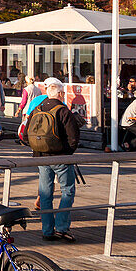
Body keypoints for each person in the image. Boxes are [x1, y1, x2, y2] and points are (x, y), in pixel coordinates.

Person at [26, 78, 81, 242]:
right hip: (60, 157)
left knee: (45, 195)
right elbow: (74, 137)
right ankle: (62, 227)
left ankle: (47, 230)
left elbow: (28, 131)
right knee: (68, 191)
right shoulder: (63, 110)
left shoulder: (37, 108)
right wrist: (68, 152)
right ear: (61, 94)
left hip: (41, 157)